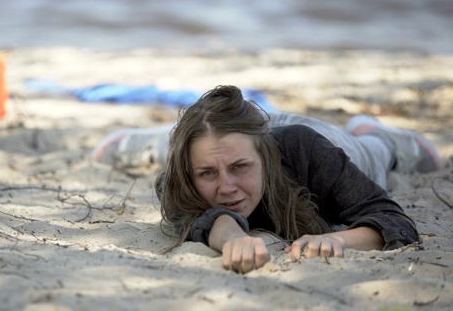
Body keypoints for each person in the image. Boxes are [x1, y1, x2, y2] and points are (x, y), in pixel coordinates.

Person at [92, 85, 443, 273]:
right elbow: (201, 218)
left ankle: (381, 133)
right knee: (200, 142)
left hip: (330, 141)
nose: (226, 188)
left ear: (266, 157)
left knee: (375, 156)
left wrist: (341, 242)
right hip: (240, 134)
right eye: (207, 174)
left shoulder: (309, 151)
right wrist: (232, 239)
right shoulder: (179, 180)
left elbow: (395, 221)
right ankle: (151, 139)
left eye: (241, 168)